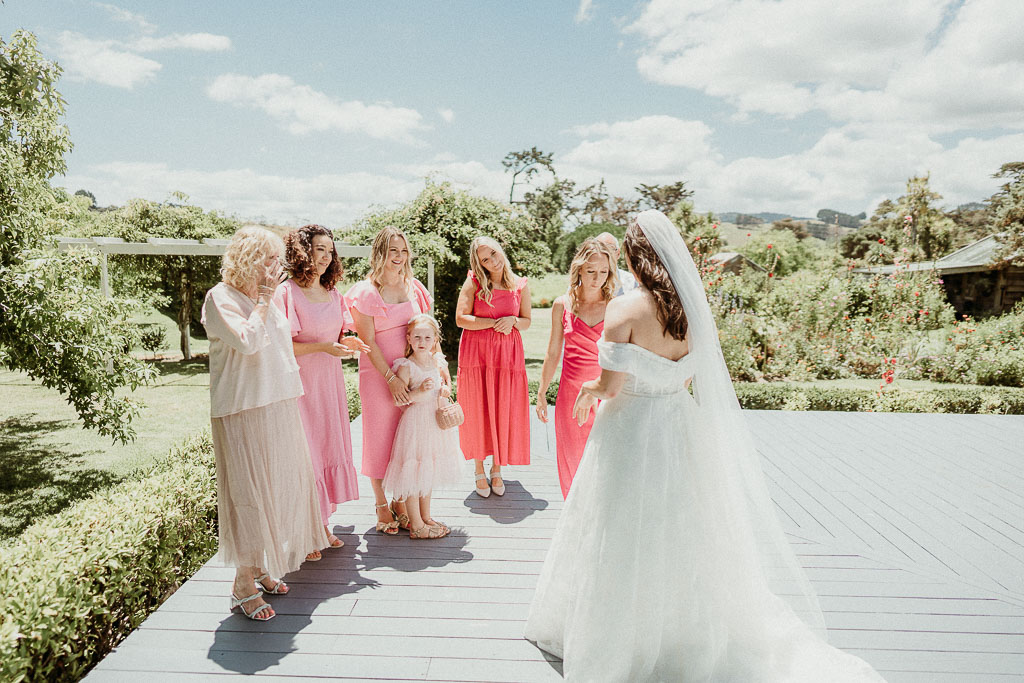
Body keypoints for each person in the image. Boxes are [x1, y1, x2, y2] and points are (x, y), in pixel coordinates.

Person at [525, 211, 886, 681]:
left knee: (618, 530)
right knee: (682, 528)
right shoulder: (691, 310)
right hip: (678, 427)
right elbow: (688, 373)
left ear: (633, 256)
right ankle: (681, 631)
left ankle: (618, 638)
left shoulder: (624, 309)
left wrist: (586, 391)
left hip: (630, 433)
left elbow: (610, 387)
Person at [201, 225, 328, 622]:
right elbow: (247, 342)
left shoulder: (265, 299)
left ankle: (258, 567)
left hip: (276, 404)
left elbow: (281, 352)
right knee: (248, 496)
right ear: (249, 260)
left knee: (274, 489)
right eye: (270, 258)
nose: (277, 266)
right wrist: (264, 298)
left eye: (277, 258)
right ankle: (242, 585)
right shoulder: (220, 298)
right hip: (242, 409)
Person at [275, 224, 370, 549]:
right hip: (300, 389)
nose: (327, 257)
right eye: (319, 250)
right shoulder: (286, 293)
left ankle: (322, 524)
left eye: (330, 251)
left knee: (327, 449)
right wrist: (323, 348)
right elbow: (281, 346)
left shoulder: (333, 294)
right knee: (307, 456)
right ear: (303, 252)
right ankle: (308, 530)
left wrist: (349, 341)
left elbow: (340, 334)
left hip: (329, 385)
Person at [346, 227, 432, 534]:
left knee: (407, 438)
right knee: (380, 438)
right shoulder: (365, 292)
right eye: (392, 251)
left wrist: (432, 370)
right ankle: (382, 505)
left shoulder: (415, 288)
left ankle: (401, 501)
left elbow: (427, 330)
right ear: (380, 253)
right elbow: (367, 341)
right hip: (378, 375)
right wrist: (390, 378)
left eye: (403, 251)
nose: (399, 257)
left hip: (413, 374)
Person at [535, 238, 617, 498]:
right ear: (579, 269)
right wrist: (541, 392)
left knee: (603, 460)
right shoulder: (563, 304)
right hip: (570, 395)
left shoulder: (615, 306)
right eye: (591, 271)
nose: (597, 278)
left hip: (606, 396)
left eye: (604, 272)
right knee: (572, 459)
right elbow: (552, 352)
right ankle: (574, 517)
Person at [455, 236, 531, 497]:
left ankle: (497, 468)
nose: (493, 261)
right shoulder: (474, 281)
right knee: (478, 406)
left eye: (494, 254)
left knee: (503, 405)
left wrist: (513, 320)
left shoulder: (520, 284)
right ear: (479, 263)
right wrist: (495, 322)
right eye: (485, 259)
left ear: (501, 250)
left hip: (507, 356)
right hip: (477, 354)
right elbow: (460, 318)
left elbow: (527, 321)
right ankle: (479, 469)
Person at [382, 314, 462, 539]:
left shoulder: (436, 362)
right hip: (416, 423)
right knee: (413, 471)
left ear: (435, 339)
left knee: (428, 469)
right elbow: (401, 399)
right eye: (417, 337)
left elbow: (442, 386)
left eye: (427, 337)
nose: (422, 341)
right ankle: (416, 524)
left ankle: (426, 517)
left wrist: (443, 390)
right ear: (408, 339)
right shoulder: (407, 366)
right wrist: (418, 392)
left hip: (433, 424)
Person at [596, 231, 638, 296]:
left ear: (618, 254)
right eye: (599, 249)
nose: (605, 254)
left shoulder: (632, 282)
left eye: (610, 248)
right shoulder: (584, 281)